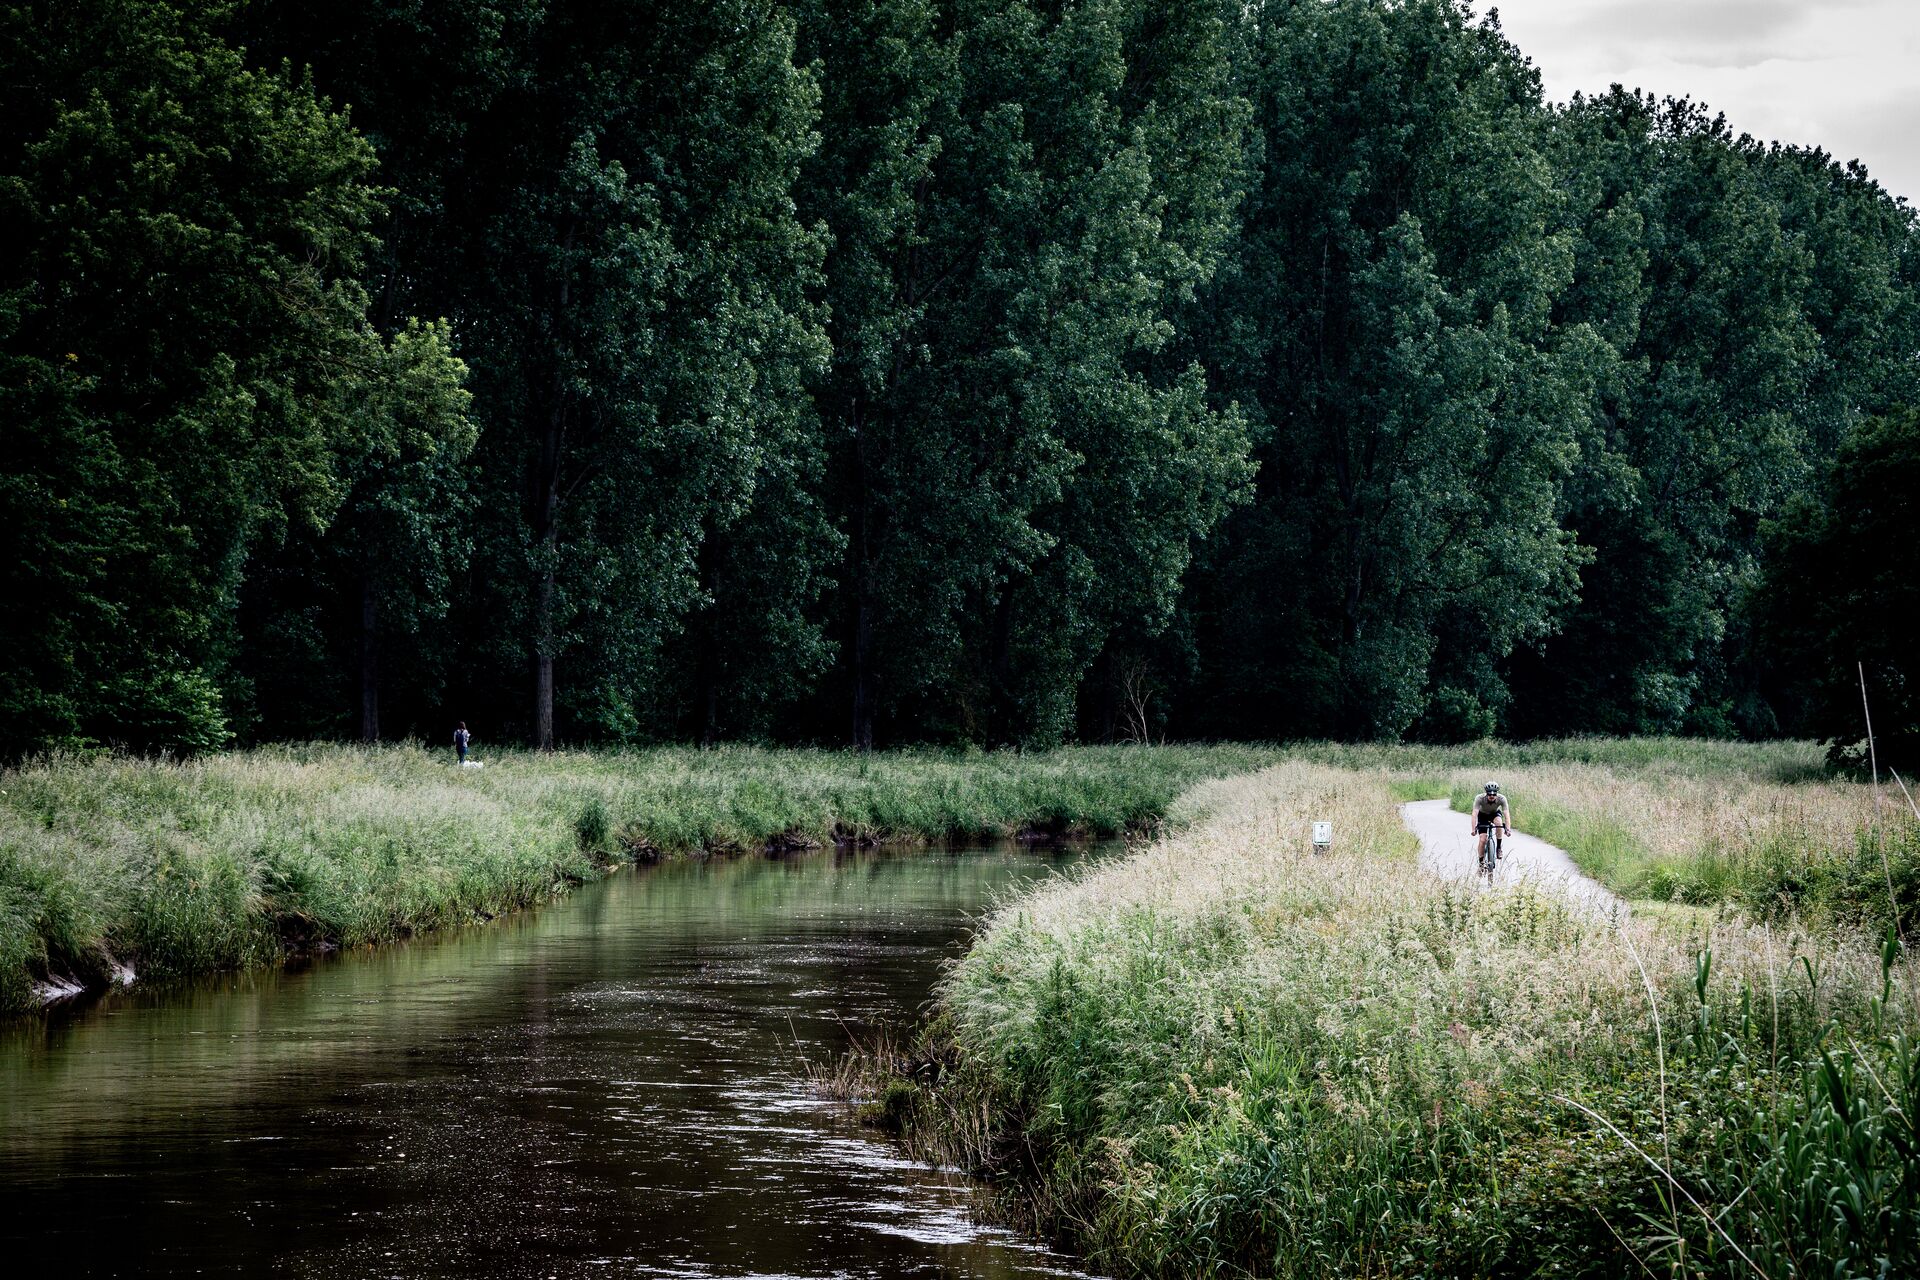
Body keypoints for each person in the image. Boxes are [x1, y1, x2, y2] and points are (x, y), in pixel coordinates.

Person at [1469, 781, 1511, 866]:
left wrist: (1508, 829)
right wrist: (1473, 829)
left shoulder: (1502, 799)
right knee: (1483, 839)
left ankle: (1498, 848)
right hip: (1483, 815)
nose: (1492, 796)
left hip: (1494, 814)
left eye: (1494, 795)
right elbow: (1474, 814)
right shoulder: (1479, 798)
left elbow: (1506, 814)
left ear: (1497, 794)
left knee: (1499, 822)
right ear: (1486, 793)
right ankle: (1481, 862)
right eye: (1489, 794)